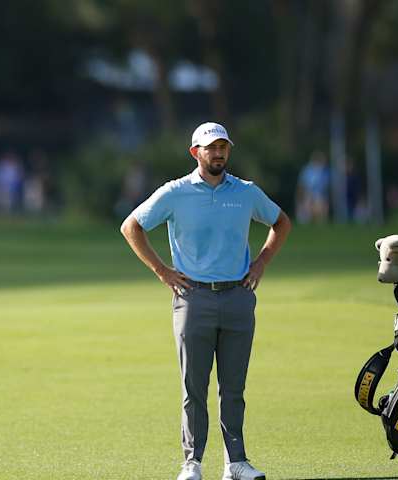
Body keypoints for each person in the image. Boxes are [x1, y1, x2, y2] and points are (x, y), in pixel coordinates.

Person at [120, 122, 291, 480]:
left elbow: (281, 222)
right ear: (195, 152)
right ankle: (192, 463)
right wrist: (162, 271)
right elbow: (131, 226)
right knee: (193, 387)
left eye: (223, 147)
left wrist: (260, 262)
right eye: (211, 148)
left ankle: (236, 463)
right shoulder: (174, 192)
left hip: (238, 297)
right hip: (192, 298)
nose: (218, 153)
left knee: (234, 387)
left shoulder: (245, 192)